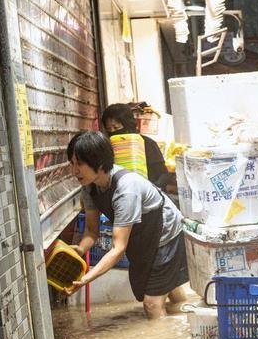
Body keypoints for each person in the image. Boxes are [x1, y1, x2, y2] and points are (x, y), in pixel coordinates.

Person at [66, 131, 191, 319]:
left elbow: (118, 248)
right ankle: (183, 315)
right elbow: (92, 231)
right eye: (72, 163)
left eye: (80, 164)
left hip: (166, 233)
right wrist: (80, 250)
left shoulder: (125, 190)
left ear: (99, 164)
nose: (74, 171)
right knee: (168, 286)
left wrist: (87, 278)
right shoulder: (89, 187)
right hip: (142, 237)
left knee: (151, 303)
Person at [100, 103, 171, 189]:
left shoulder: (148, 144)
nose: (112, 132)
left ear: (127, 125)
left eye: (116, 127)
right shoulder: (106, 148)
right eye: (109, 129)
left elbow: (163, 175)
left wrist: (152, 188)